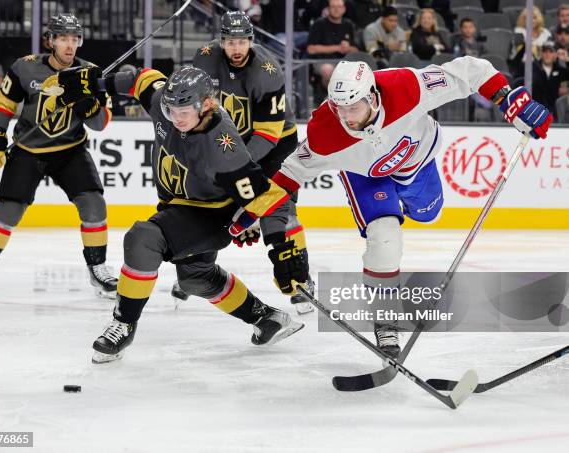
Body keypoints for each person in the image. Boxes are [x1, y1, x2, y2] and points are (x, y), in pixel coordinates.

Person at [270, 58, 552, 357]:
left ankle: (403, 202)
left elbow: (472, 70)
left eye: (355, 107)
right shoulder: (324, 131)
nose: (348, 117)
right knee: (385, 237)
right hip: (365, 176)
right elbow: (290, 174)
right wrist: (250, 215)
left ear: (373, 96)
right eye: (340, 107)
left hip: (416, 160)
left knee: (430, 212)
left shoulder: (405, 86)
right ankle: (385, 319)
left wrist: (508, 98)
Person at [57, 65, 309, 363]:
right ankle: (267, 319)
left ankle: (123, 324)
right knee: (195, 278)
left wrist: (282, 247)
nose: (176, 118)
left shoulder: (222, 145)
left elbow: (268, 198)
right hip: (177, 206)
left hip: (210, 215)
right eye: (171, 109)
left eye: (184, 111)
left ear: (206, 105)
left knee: (143, 239)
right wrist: (96, 82)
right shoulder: (166, 104)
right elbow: (139, 78)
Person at [0, 13, 117, 300]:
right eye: (63, 39)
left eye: (74, 39)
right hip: (28, 150)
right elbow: (4, 105)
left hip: (71, 150)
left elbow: (100, 124)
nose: (69, 46)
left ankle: (98, 268)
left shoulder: (92, 73)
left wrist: (86, 104)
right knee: (8, 210)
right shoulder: (25, 68)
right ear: (51, 41)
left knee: (94, 205)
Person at [190, 10, 315, 314]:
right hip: (231, 141)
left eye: (242, 41)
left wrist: (234, 170)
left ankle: (301, 279)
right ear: (221, 42)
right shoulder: (204, 59)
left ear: (251, 41)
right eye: (230, 41)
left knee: (280, 206)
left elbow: (268, 136)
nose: (236, 48)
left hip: (274, 144)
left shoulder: (267, 70)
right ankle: (196, 266)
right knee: (207, 204)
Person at [306, 0, 359, 91]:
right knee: (328, 70)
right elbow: (311, 49)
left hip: (345, 61)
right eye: (333, 7)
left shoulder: (349, 24)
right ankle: (333, 98)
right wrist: (337, 48)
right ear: (328, 9)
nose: (336, 9)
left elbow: (356, 50)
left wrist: (348, 48)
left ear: (344, 9)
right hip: (323, 61)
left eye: (339, 7)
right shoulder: (319, 23)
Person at [532, 41, 569, 117]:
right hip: (536, 112)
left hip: (554, 113)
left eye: (551, 51)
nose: (547, 54)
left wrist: (567, 60)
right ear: (541, 54)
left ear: (555, 55)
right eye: (545, 51)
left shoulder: (560, 70)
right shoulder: (534, 68)